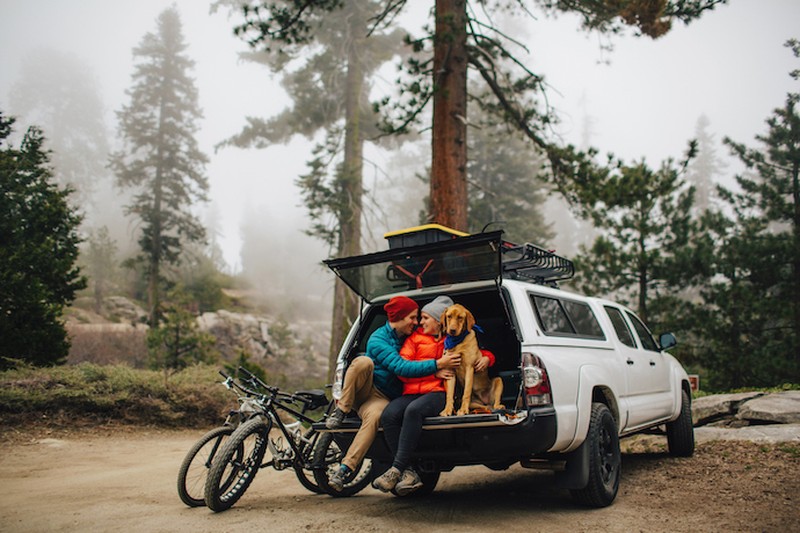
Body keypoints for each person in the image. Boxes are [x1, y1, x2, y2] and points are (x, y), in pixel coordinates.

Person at [324, 295, 461, 491]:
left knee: (376, 417)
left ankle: (345, 469)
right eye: (413, 318)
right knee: (364, 362)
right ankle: (342, 410)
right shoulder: (378, 339)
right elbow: (401, 367)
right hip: (366, 389)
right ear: (399, 317)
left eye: (420, 318)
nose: (417, 323)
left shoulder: (411, 336)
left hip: (385, 397)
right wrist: (437, 365)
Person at [372, 296, 495, 495]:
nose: (421, 322)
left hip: (438, 392)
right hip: (412, 391)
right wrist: (435, 369)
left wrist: (488, 357)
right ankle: (408, 471)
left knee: (413, 411)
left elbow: (475, 355)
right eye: (420, 318)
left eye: (426, 318)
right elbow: (402, 369)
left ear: (439, 321)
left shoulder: (451, 342)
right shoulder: (414, 339)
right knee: (389, 415)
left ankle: (396, 469)